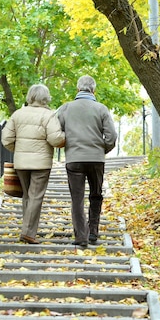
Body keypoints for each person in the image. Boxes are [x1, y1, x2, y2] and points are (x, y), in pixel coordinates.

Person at [57, 74, 117, 248]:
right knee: (96, 195)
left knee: (77, 198)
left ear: (78, 89)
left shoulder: (65, 108)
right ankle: (93, 232)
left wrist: (68, 144)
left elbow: (55, 132)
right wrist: (101, 149)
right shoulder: (101, 109)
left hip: (74, 159)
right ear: (94, 90)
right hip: (96, 159)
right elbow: (111, 136)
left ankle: (81, 237)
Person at [1, 83, 65, 244]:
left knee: (27, 196)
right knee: (36, 196)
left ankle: (28, 229)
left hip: (21, 162)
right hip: (41, 163)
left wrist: (19, 150)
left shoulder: (17, 114)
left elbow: (6, 139)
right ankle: (28, 232)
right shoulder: (48, 115)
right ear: (46, 98)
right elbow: (55, 138)